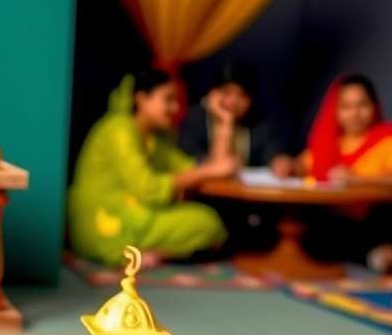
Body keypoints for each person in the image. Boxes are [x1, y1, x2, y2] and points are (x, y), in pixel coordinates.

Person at [68, 69, 234, 267]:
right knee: (206, 224)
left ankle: (147, 253)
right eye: (168, 100)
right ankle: (132, 253)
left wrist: (223, 122)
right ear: (142, 98)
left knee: (207, 222)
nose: (174, 108)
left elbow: (215, 168)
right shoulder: (119, 130)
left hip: (140, 215)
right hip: (108, 221)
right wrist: (208, 171)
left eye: (176, 101)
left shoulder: (154, 136)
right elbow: (149, 189)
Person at [276, 74, 392, 271]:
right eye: (346, 107)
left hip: (379, 217)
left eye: (362, 105)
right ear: (336, 111)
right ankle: (374, 254)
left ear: (374, 105)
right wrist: (287, 165)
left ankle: (386, 253)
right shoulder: (328, 143)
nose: (355, 114)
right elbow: (302, 165)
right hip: (343, 220)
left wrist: (356, 179)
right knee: (315, 225)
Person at [179, 63, 283, 168]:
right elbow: (214, 167)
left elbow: (272, 155)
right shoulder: (194, 119)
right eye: (226, 92)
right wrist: (225, 123)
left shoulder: (258, 122)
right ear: (211, 93)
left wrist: (279, 162)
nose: (233, 102)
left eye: (242, 95)